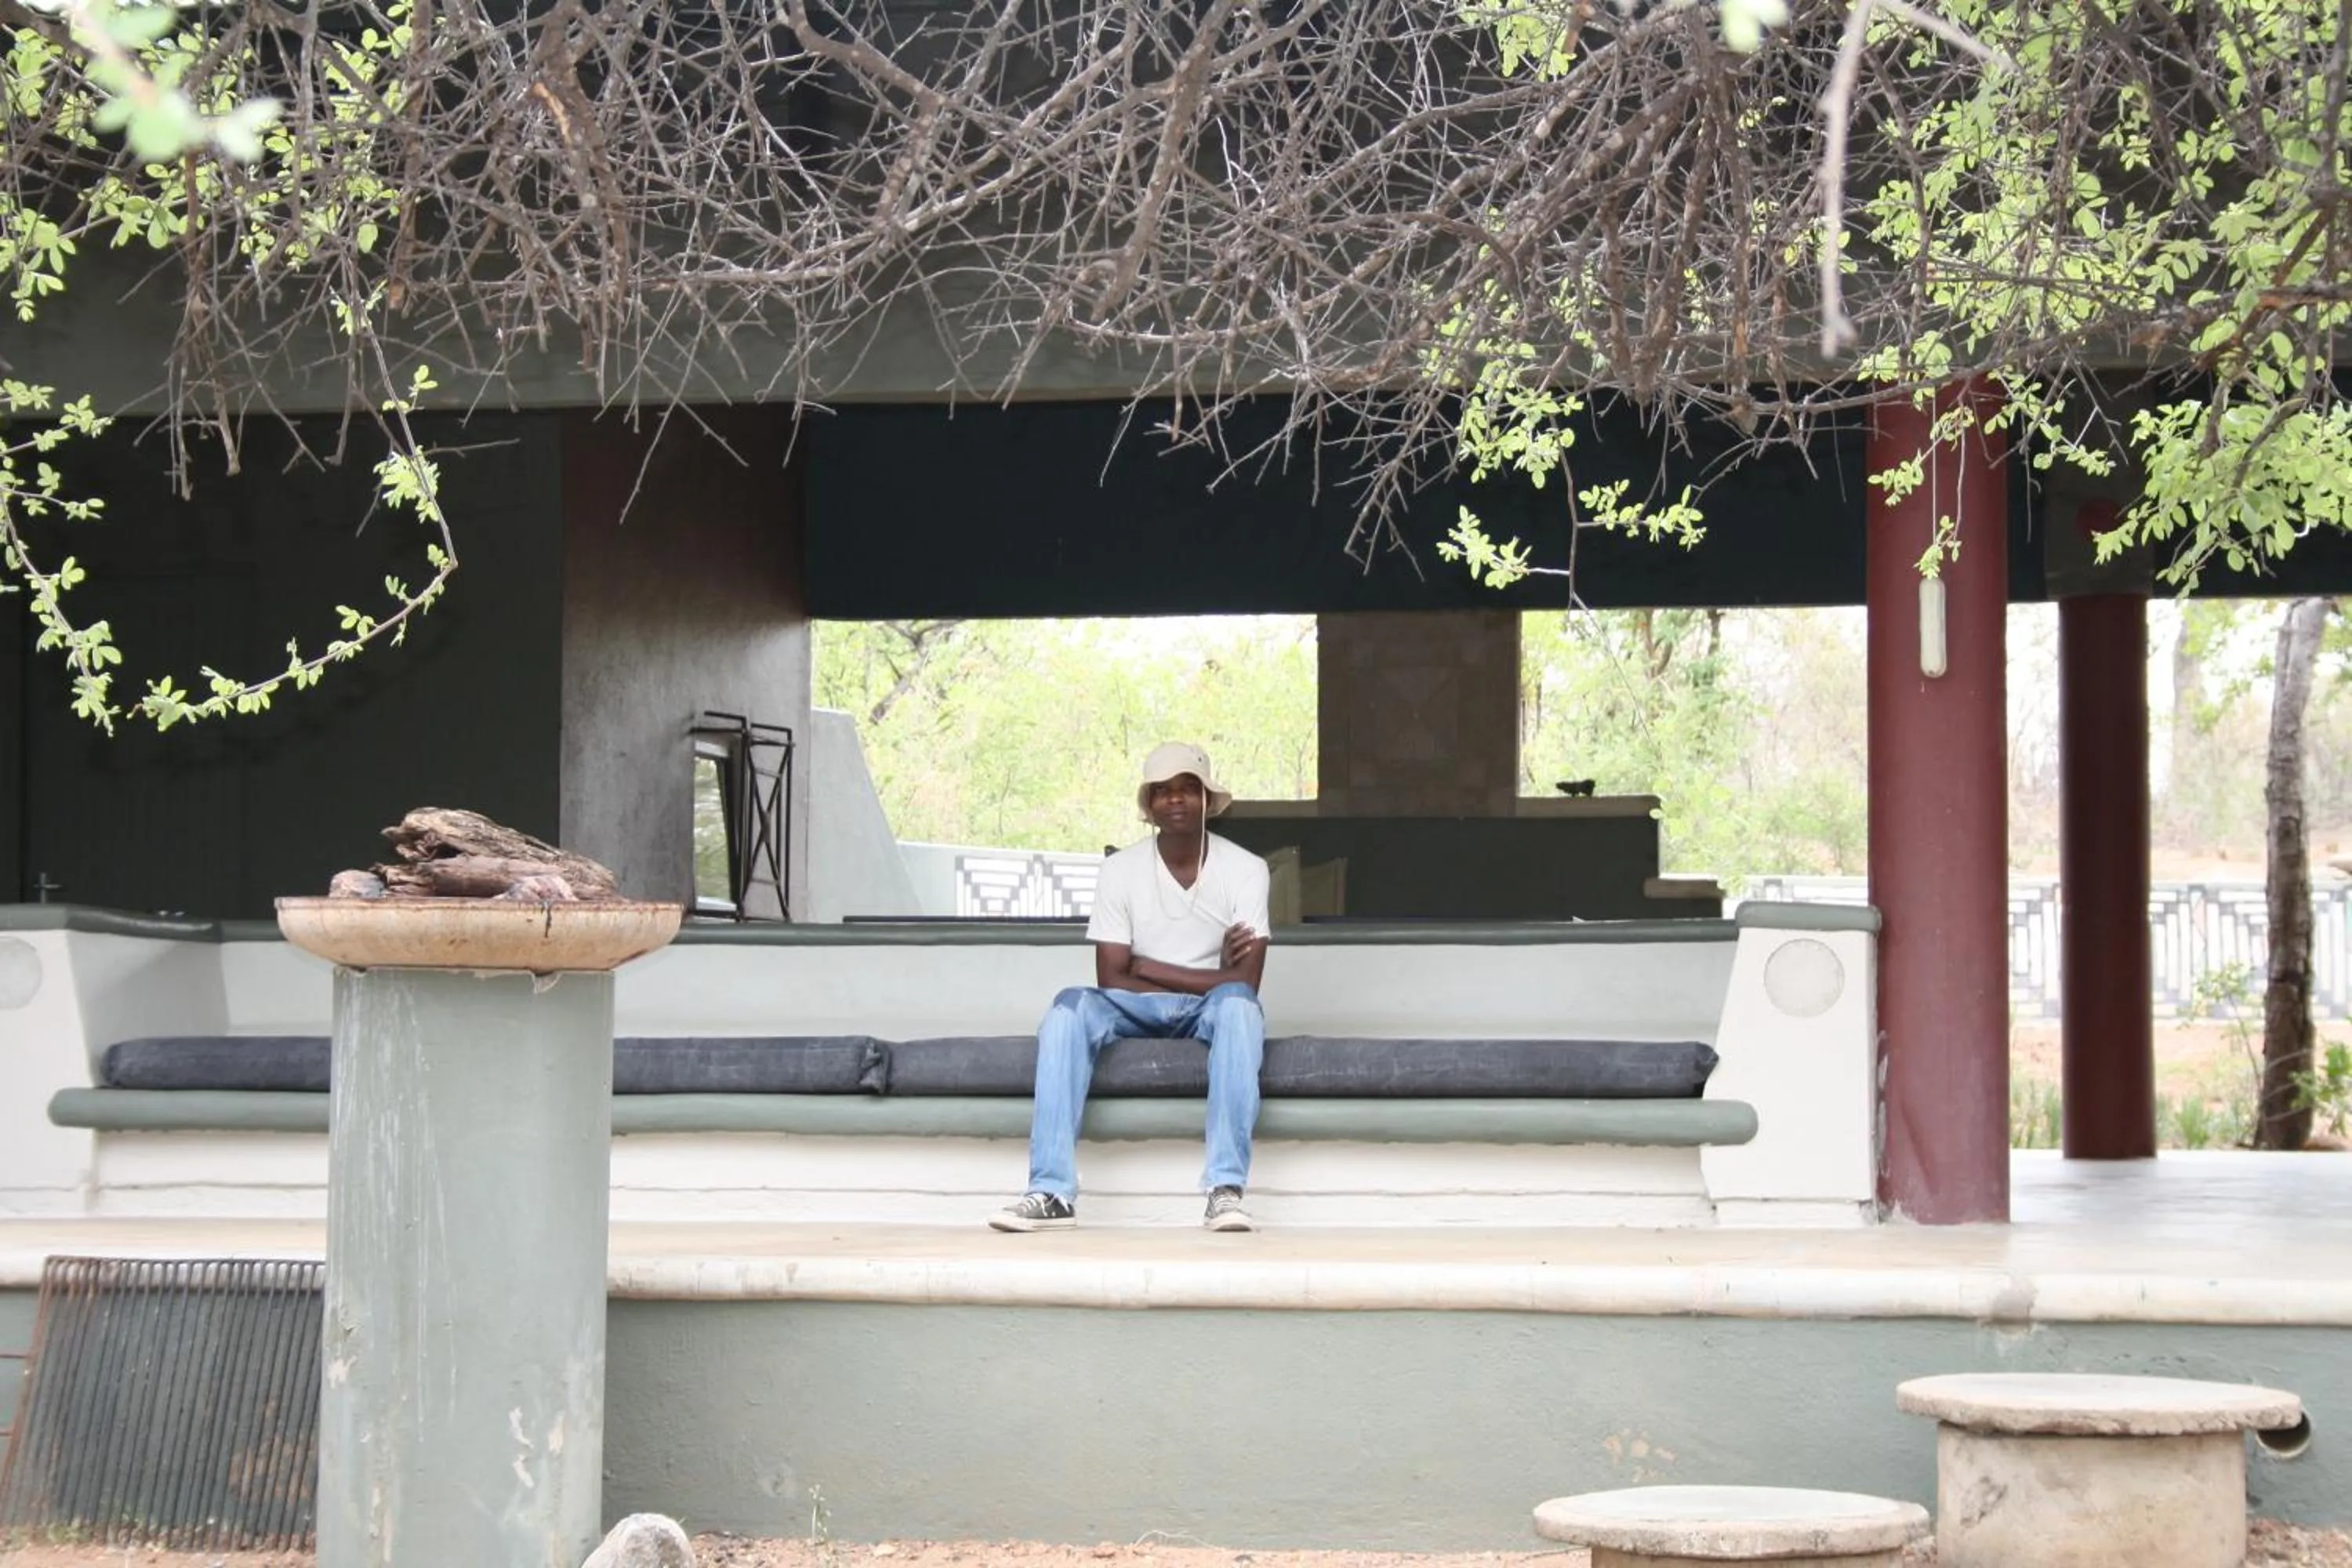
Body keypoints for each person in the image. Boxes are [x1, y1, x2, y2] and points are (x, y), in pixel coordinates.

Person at [989, 742, 1272, 1233]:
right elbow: (1112, 979)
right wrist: (1206, 973)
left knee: (1240, 1010)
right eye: (1163, 792)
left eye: (1188, 789)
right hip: (1135, 1006)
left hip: (1213, 1008)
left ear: (1208, 799)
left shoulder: (1246, 869)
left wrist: (1147, 965)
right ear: (1150, 805)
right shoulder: (1120, 871)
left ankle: (1224, 1191)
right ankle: (1051, 1191)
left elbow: (1245, 982)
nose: (1176, 800)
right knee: (1068, 1008)